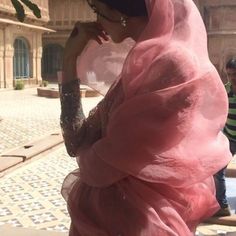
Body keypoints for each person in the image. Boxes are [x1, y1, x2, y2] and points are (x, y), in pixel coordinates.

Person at [59, 0, 232, 235]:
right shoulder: (142, 66)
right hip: (112, 216)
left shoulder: (174, 66)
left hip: (144, 221)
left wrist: (92, 153)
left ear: (121, 13)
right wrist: (69, 61)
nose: (96, 20)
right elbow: (76, 141)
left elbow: (105, 163)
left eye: (99, 11)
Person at [214, 58, 236, 217]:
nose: (232, 78)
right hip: (229, 138)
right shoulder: (224, 90)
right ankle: (222, 205)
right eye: (229, 74)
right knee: (217, 171)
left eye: (235, 74)